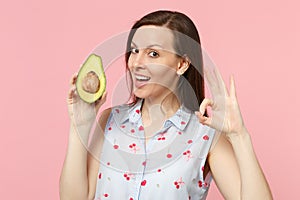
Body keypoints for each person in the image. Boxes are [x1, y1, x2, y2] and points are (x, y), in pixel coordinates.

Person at [60, 10, 273, 200]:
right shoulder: (111, 120)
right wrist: (80, 125)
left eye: (153, 53)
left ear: (182, 64)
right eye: (134, 51)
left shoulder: (206, 135)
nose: (136, 63)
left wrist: (239, 136)